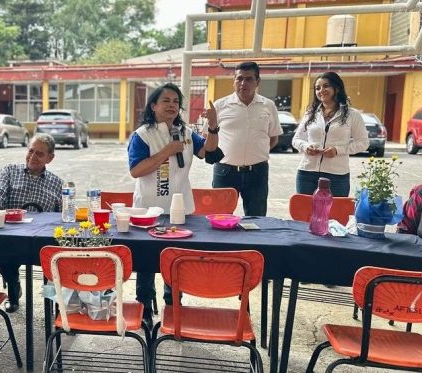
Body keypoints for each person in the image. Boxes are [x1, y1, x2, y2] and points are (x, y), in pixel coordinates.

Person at [127, 83, 219, 323]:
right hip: (149, 209)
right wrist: (166, 151)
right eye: (166, 101)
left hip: (180, 208)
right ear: (153, 105)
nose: (171, 105)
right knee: (147, 260)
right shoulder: (142, 135)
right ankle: (144, 306)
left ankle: (173, 304)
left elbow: (207, 151)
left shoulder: (186, 132)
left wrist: (213, 126)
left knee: (176, 259)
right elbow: (136, 170)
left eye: (176, 102)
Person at [0, 134, 64, 312]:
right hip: (12, 236)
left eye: (39, 154)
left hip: (41, 239)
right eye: (31, 151)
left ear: (50, 158)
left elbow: (62, 216)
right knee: (0, 252)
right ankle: (13, 289)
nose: (33, 157)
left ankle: (56, 305)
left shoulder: (58, 184)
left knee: (57, 257)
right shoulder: (10, 171)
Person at [210, 61, 283, 216]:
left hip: (257, 172)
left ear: (258, 82)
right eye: (239, 78)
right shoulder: (220, 105)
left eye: (249, 79)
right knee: (220, 218)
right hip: (225, 171)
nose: (243, 83)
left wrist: (255, 153)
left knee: (256, 220)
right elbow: (208, 137)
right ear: (234, 81)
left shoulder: (268, 106)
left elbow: (273, 138)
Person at [292, 72, 369, 197]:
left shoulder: (352, 115)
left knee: (334, 215)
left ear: (337, 88)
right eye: (317, 88)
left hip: (337, 176)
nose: (321, 90)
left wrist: (338, 150)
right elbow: (297, 139)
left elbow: (363, 143)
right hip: (307, 173)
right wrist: (305, 147)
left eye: (326, 86)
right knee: (304, 214)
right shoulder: (311, 113)